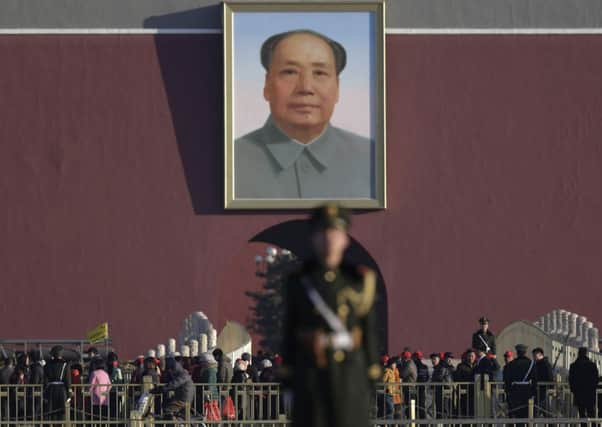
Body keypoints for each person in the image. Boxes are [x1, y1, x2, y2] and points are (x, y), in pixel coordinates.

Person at [235, 30, 373, 199]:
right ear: (267, 85)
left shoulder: (372, 158)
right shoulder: (232, 160)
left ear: (337, 88)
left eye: (320, 73)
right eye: (290, 72)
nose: (306, 88)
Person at [281, 203, 380, 427]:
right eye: (322, 233)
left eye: (335, 233)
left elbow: (368, 332)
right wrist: (288, 378)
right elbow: (290, 330)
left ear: (345, 238)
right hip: (311, 375)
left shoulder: (359, 280)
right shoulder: (299, 281)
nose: (329, 239)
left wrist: (372, 374)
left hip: (350, 375)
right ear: (314, 239)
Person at [503, 344, 535, 427]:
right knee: (527, 414)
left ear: (517, 352)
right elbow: (535, 379)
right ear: (525, 352)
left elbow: (507, 379)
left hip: (515, 391)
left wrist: (508, 391)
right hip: (527, 391)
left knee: (516, 414)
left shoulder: (511, 364)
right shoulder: (531, 363)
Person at [43, 346, 72, 425]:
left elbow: (45, 381)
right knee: (61, 414)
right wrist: (69, 394)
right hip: (61, 390)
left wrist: (44, 393)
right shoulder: (65, 364)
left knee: (51, 413)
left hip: (51, 390)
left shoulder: (47, 365)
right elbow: (68, 380)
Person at [569, 347, 599, 422]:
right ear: (586, 353)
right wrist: (593, 388)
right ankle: (593, 425)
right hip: (590, 393)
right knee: (591, 412)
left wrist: (573, 390)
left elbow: (571, 380)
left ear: (578, 353)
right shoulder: (592, 365)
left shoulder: (573, 366)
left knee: (581, 413)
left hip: (578, 393)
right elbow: (596, 379)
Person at [88, 356, 112, 423]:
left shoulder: (94, 373)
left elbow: (91, 385)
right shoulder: (105, 374)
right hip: (105, 398)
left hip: (95, 398)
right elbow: (110, 385)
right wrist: (106, 392)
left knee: (95, 417)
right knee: (104, 417)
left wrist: (89, 391)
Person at [453, 349, 476, 418]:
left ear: (475, 357)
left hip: (475, 393)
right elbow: (457, 378)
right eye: (469, 356)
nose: (471, 358)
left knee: (474, 413)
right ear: (466, 357)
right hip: (464, 393)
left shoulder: (477, 365)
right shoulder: (461, 366)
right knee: (464, 413)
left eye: (472, 356)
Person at [532, 347, 553, 416]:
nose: (533, 357)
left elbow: (550, 377)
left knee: (536, 413)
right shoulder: (539, 364)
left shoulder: (545, 364)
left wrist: (551, 388)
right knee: (547, 413)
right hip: (541, 391)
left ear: (540, 354)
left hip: (543, 391)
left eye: (534, 355)